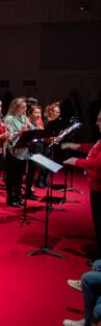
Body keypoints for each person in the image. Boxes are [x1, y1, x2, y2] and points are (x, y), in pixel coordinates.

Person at [62, 110, 101, 258]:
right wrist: (75, 146)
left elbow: (98, 163)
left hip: (99, 186)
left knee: (99, 222)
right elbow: (93, 147)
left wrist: (76, 161)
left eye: (99, 120)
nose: (97, 124)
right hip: (95, 185)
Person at [3, 97, 32, 208]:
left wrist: (31, 129)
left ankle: (18, 195)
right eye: (22, 107)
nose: (25, 110)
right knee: (12, 175)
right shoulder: (9, 119)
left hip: (23, 151)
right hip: (13, 150)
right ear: (16, 108)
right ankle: (10, 197)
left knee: (20, 175)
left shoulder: (23, 118)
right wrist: (20, 133)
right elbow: (9, 137)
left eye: (25, 107)